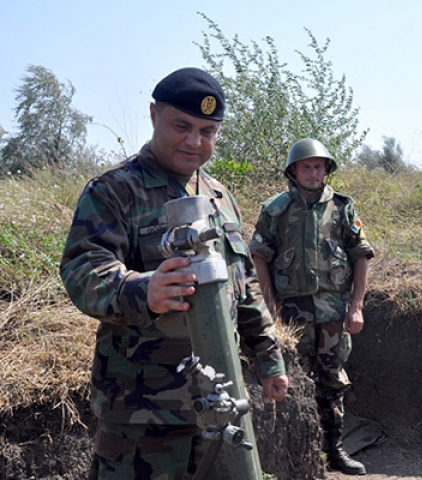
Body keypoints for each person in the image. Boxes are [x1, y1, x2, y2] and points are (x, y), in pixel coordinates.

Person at [60, 67, 289, 479]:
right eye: (181, 126)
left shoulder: (221, 198)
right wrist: (141, 289)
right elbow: (83, 267)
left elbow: (245, 288)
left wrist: (269, 359)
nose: (194, 141)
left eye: (208, 131)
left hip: (221, 404)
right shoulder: (115, 190)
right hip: (142, 413)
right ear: (153, 115)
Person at [249, 138, 374, 475]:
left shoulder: (343, 207)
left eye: (319, 166)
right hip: (292, 315)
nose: (314, 172)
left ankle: (334, 451)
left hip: (334, 312)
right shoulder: (275, 209)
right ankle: (300, 455)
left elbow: (360, 255)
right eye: (307, 166)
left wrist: (357, 306)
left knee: (333, 380)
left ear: (326, 170)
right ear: (294, 171)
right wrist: (269, 307)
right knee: (295, 381)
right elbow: (259, 258)